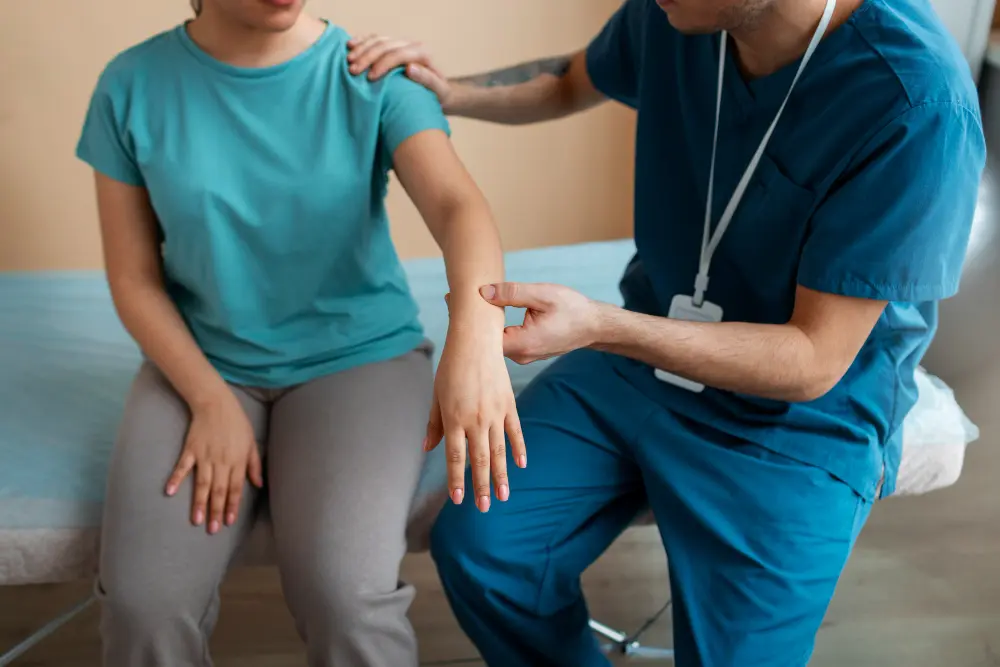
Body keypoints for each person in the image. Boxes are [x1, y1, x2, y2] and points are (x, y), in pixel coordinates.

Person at [348, 0, 986, 664]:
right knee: (483, 545)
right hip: (642, 367)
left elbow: (813, 359)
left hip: (796, 421)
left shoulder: (916, 101)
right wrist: (448, 92)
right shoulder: (681, 14)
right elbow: (570, 79)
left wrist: (599, 325)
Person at [75, 0, 527, 664]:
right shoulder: (132, 84)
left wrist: (478, 339)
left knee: (345, 598)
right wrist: (208, 399)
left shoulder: (368, 74)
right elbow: (135, 277)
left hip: (358, 361)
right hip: (204, 362)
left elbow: (461, 208)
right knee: (142, 606)